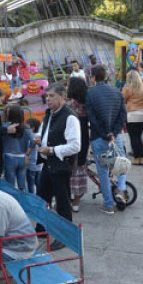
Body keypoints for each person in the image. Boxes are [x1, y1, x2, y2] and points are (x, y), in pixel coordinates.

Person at [35, 83, 81, 221]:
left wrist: (52, 150)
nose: (48, 99)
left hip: (61, 166)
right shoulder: (49, 114)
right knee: (42, 200)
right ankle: (41, 230)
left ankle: (65, 237)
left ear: (62, 97)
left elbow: (75, 146)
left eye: (51, 96)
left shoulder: (70, 117)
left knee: (63, 204)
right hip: (48, 165)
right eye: (46, 96)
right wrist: (39, 137)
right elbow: (45, 131)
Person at [86, 65, 128, 214]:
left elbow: (92, 118)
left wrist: (105, 133)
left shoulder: (91, 94)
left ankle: (108, 204)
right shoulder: (117, 92)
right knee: (121, 163)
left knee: (103, 171)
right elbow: (123, 115)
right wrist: (113, 132)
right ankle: (121, 189)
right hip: (115, 136)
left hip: (99, 137)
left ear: (93, 77)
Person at [66, 77, 89, 212]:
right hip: (84, 136)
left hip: (70, 136)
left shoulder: (69, 104)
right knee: (80, 166)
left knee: (69, 166)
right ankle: (76, 200)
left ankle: (67, 196)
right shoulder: (86, 103)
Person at [1, 105, 34, 191]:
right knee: (22, 185)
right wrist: (28, 154)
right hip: (22, 157)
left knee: (10, 186)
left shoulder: (5, 127)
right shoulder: (26, 128)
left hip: (9, 156)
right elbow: (33, 141)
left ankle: (12, 203)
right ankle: (24, 202)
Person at [122, 70, 143, 165]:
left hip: (132, 113)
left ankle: (136, 158)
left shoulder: (128, 88)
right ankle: (141, 157)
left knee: (133, 137)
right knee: (139, 136)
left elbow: (122, 99)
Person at [26, 118, 43, 194]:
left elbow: (27, 148)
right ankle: (40, 198)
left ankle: (32, 199)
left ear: (32, 127)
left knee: (30, 185)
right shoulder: (40, 136)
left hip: (31, 164)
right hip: (39, 165)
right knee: (39, 184)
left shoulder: (30, 137)